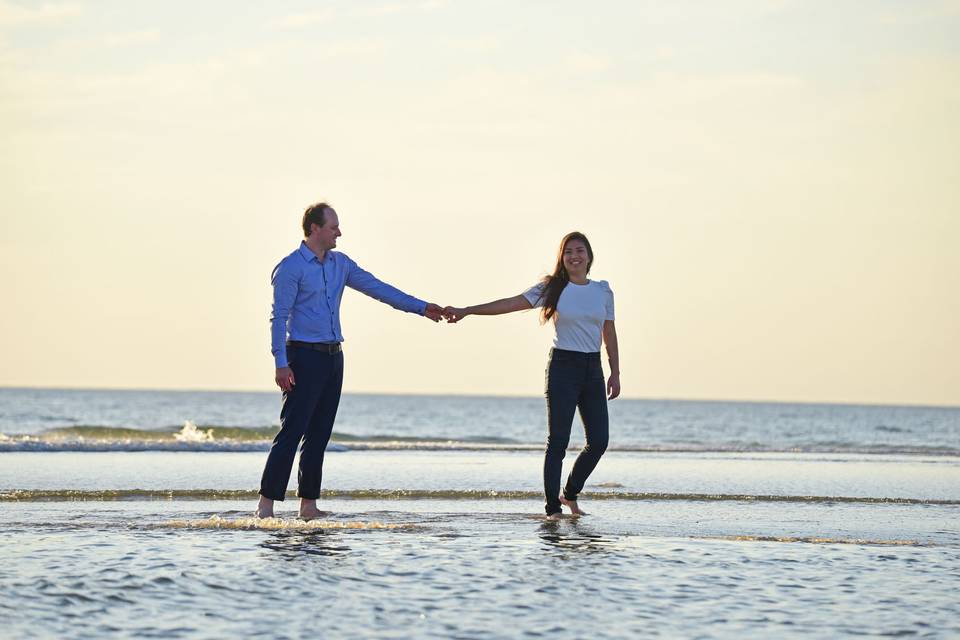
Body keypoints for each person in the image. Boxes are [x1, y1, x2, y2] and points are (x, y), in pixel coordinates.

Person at [256, 202, 444, 519]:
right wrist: (280, 362)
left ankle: (309, 506)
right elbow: (278, 318)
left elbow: (380, 289)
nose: (339, 232)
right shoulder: (291, 268)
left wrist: (423, 307)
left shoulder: (340, 264)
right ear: (315, 228)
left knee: (319, 435)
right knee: (292, 431)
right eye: (333, 227)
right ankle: (266, 505)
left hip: (333, 357)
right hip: (302, 356)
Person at [444, 232, 619, 520]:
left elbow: (609, 331)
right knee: (558, 441)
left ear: (589, 256)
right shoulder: (554, 288)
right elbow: (511, 303)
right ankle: (553, 510)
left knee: (599, 441)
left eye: (580, 251)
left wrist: (615, 371)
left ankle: (570, 493)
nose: (574, 256)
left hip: (593, 368)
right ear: (562, 258)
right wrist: (468, 311)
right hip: (563, 365)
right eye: (568, 252)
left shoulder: (603, 291)